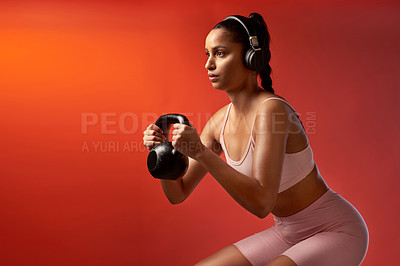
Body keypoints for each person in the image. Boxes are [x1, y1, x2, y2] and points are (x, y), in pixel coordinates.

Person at [143, 13, 369, 266]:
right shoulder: (219, 123)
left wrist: (202, 153)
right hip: (287, 233)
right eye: (206, 54)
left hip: (334, 230)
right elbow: (178, 193)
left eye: (219, 53)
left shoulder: (272, 111)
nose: (208, 64)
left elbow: (262, 204)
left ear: (252, 57)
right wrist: (161, 151)